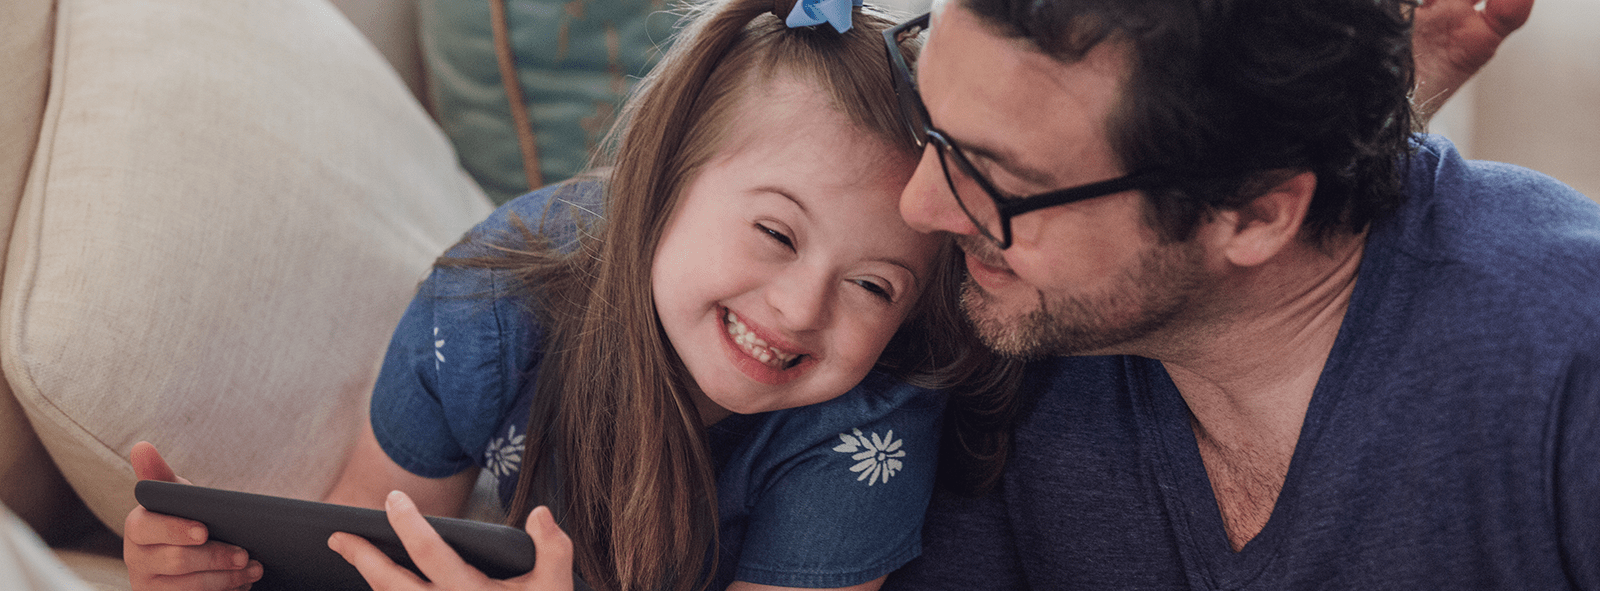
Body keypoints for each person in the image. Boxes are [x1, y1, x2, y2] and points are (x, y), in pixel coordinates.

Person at [121, 0, 1012, 590]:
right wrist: (222, 572)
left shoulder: (868, 420)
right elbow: (371, 539)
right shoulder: (489, 300)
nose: (800, 307)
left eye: (871, 285)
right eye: (775, 233)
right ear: (661, 180)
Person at [878, 0, 1600, 588]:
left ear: (1256, 214)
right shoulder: (1003, 327)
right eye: (928, 115)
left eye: (1003, 179)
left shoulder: (1566, 364)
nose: (922, 207)